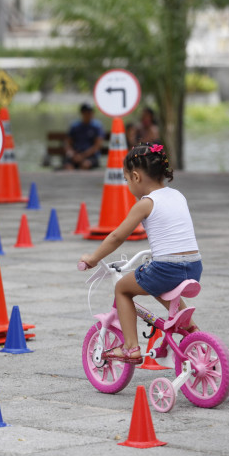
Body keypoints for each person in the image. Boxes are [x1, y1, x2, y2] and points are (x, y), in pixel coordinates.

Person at [79, 144, 201, 364]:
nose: (127, 185)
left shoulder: (145, 203)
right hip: (194, 265)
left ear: (136, 177)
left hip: (166, 268)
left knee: (123, 289)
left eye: (126, 180)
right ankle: (191, 329)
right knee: (156, 284)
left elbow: (117, 237)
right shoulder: (177, 195)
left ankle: (130, 348)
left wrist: (93, 258)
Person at [64, 102, 104, 170]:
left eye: (90, 112)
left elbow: (97, 146)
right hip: (75, 154)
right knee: (68, 166)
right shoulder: (75, 126)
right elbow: (68, 143)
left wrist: (82, 156)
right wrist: (71, 153)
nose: (89, 114)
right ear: (82, 113)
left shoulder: (97, 126)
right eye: (87, 112)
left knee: (85, 165)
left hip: (91, 156)